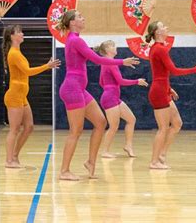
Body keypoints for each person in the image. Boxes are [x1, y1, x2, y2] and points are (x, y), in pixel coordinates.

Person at [56, 10, 139, 181]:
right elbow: (98, 60)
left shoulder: (76, 40)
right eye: (79, 16)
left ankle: (90, 162)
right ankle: (64, 171)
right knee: (76, 131)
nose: (83, 17)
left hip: (79, 89)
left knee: (101, 122)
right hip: (72, 89)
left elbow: (90, 56)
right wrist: (122, 61)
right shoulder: (75, 40)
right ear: (72, 23)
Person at [145, 21, 196, 169]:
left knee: (177, 123)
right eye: (163, 26)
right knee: (163, 128)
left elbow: (162, 73)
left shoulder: (158, 48)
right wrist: (195, 69)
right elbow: (173, 70)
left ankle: (161, 154)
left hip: (163, 89)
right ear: (157, 32)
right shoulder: (159, 49)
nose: (167, 27)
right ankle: (154, 162)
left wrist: (169, 88)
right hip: (159, 92)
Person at [2, 25, 60, 168]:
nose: (22, 34)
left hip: (22, 96)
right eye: (19, 32)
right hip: (14, 95)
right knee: (14, 129)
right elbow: (27, 71)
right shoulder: (14, 53)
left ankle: (15, 155)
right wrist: (47, 66)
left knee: (29, 127)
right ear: (12, 36)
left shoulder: (18, 52)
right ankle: (9, 161)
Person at [93, 40, 148, 158]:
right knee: (113, 126)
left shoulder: (105, 63)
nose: (115, 47)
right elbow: (120, 81)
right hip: (110, 98)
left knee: (131, 119)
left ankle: (128, 146)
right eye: (113, 46)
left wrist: (109, 89)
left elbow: (101, 82)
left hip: (113, 97)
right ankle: (105, 151)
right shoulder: (111, 63)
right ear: (108, 50)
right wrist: (137, 81)